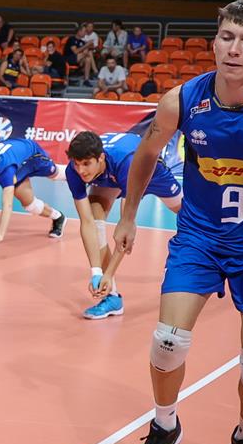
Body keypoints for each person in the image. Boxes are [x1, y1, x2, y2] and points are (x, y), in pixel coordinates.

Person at [113, 0, 243, 444]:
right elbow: (147, 153)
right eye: (226, 36)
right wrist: (128, 215)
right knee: (167, 341)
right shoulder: (181, 100)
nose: (234, 49)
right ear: (214, 41)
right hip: (199, 238)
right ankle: (164, 426)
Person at [65, 131, 183, 320]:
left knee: (188, 216)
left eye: (86, 164)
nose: (81, 171)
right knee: (94, 220)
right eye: (76, 164)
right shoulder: (74, 171)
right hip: (110, 175)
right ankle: (112, 298)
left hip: (148, 171)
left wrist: (109, 272)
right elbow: (86, 223)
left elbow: (126, 227)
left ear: (100, 158)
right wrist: (96, 272)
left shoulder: (127, 164)